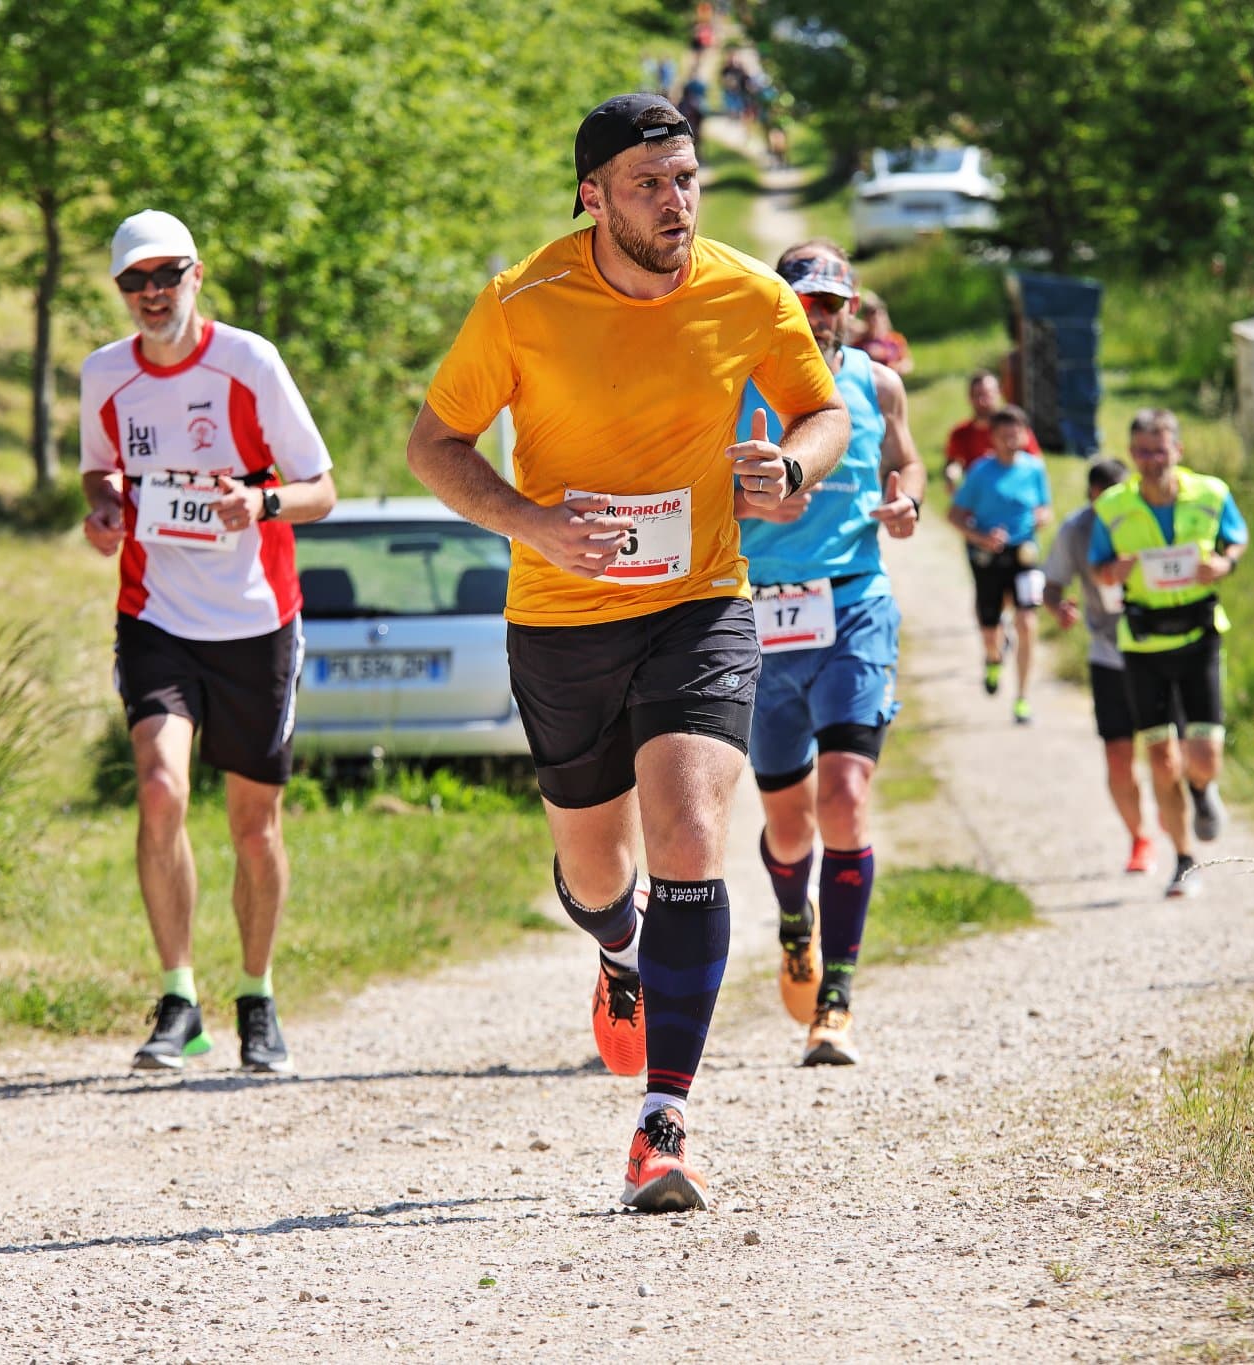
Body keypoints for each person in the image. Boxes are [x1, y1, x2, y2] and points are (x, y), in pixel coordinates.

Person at [405, 94, 847, 1213]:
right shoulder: (522, 301)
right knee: (601, 877)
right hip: (560, 617)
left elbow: (821, 412)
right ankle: (616, 953)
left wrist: (790, 471)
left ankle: (665, 1121)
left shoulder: (748, 294)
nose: (677, 202)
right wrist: (533, 522)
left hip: (701, 600)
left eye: (687, 178)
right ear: (592, 194)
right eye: (650, 184)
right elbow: (433, 445)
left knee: (690, 828)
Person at [79, 209, 339, 1074]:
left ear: (198, 274)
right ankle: (179, 1000)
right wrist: (108, 507)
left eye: (167, 274)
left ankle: (257, 996)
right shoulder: (105, 375)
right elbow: (99, 464)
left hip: (257, 620)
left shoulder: (249, 361)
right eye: (134, 281)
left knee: (253, 825)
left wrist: (258, 505)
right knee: (159, 788)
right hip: (155, 614)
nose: (153, 293)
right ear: (121, 291)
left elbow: (322, 489)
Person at [733, 241, 923, 1067]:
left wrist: (908, 496)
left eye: (831, 302)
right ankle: (794, 922)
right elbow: (691, 478)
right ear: (779, 304)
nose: (818, 315)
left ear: (849, 308)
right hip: (763, 615)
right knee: (788, 821)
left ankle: (836, 1002)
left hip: (853, 604)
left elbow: (904, 456)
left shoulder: (878, 384)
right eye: (802, 300)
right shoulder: (737, 379)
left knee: (844, 798)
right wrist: (746, 505)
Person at [1089, 409, 1248, 898]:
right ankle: (1183, 859)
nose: (1151, 460)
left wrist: (1223, 563)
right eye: (1142, 452)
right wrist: (1114, 570)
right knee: (1161, 760)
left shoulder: (1211, 492)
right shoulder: (1112, 506)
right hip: (1144, 645)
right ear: (1132, 454)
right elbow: (1099, 571)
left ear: (1177, 450)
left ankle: (1202, 790)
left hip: (1199, 637)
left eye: (1160, 450)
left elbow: (1236, 539)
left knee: (1203, 756)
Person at [1045, 458, 1154, 875]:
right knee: (1118, 755)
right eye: (1102, 499)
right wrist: (1059, 608)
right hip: (1108, 653)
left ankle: (1176, 806)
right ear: (1090, 498)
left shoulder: (1151, 516)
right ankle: (1140, 837)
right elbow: (1050, 585)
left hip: (1159, 650)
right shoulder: (1076, 531)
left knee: (1169, 752)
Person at [948, 406, 1050, 723]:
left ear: (1025, 435)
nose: (1011, 440)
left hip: (1024, 555)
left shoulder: (1034, 469)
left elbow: (1046, 508)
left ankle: (1022, 697)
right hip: (988, 556)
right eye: (1004, 435)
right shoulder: (980, 472)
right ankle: (993, 659)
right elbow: (955, 515)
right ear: (992, 438)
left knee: (1027, 622)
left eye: (1016, 433)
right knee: (989, 629)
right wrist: (980, 537)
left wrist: (1040, 519)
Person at [943, 369, 1041, 492]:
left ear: (999, 394)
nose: (983, 401)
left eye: (987, 394)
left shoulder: (1015, 429)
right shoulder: (961, 433)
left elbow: (1035, 464)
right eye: (978, 395)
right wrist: (952, 476)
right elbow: (954, 463)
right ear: (970, 398)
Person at [852, 291, 914, 378]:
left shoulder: (896, 339)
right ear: (865, 318)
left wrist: (895, 366)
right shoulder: (859, 345)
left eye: (880, 314)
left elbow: (908, 363)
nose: (876, 318)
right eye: (871, 314)